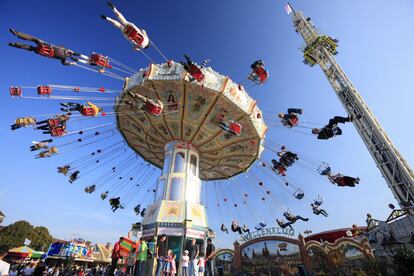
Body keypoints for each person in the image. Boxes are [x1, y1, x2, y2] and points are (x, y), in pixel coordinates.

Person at [8, 29, 79, 65]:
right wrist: (72, 63)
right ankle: (15, 44)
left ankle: (17, 34)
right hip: (41, 52)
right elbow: (64, 63)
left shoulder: (63, 48)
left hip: (43, 45)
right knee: (30, 48)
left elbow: (68, 50)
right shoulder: (63, 58)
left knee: (33, 39)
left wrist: (71, 52)